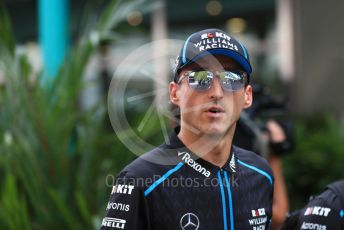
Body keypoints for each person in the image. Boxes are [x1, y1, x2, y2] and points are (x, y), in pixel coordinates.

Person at [101, 28, 274, 229]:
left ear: (248, 96)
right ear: (175, 93)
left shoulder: (261, 174)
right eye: (200, 78)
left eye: (232, 78)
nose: (217, 92)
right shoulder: (141, 180)